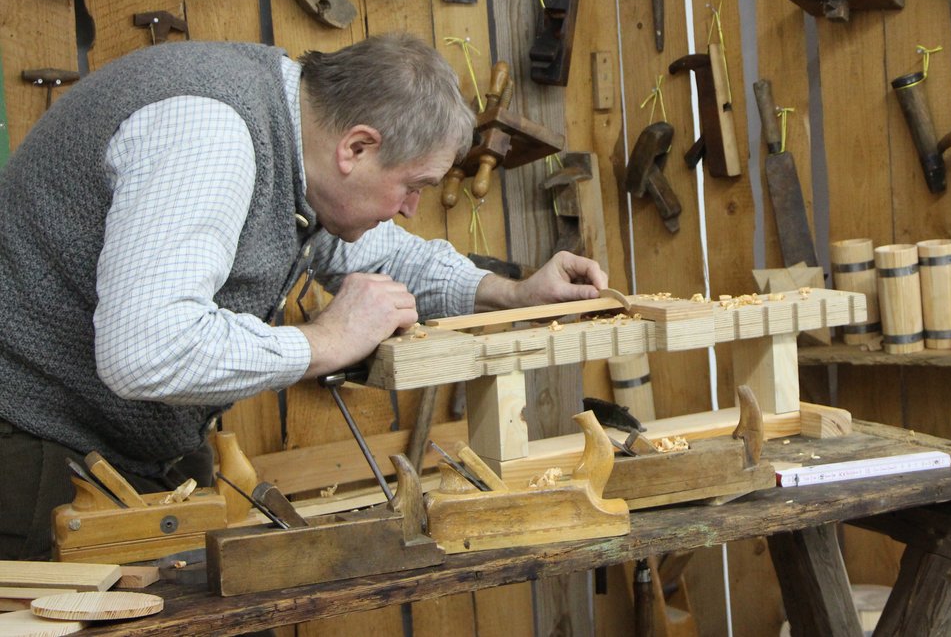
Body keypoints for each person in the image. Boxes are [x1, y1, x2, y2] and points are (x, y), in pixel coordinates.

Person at [0, 33, 606, 559]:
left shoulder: (298, 144)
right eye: (412, 186)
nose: (413, 208)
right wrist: (325, 341)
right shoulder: (212, 136)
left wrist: (515, 292)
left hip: (113, 453)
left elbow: (386, 252)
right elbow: (145, 349)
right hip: (31, 447)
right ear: (358, 148)